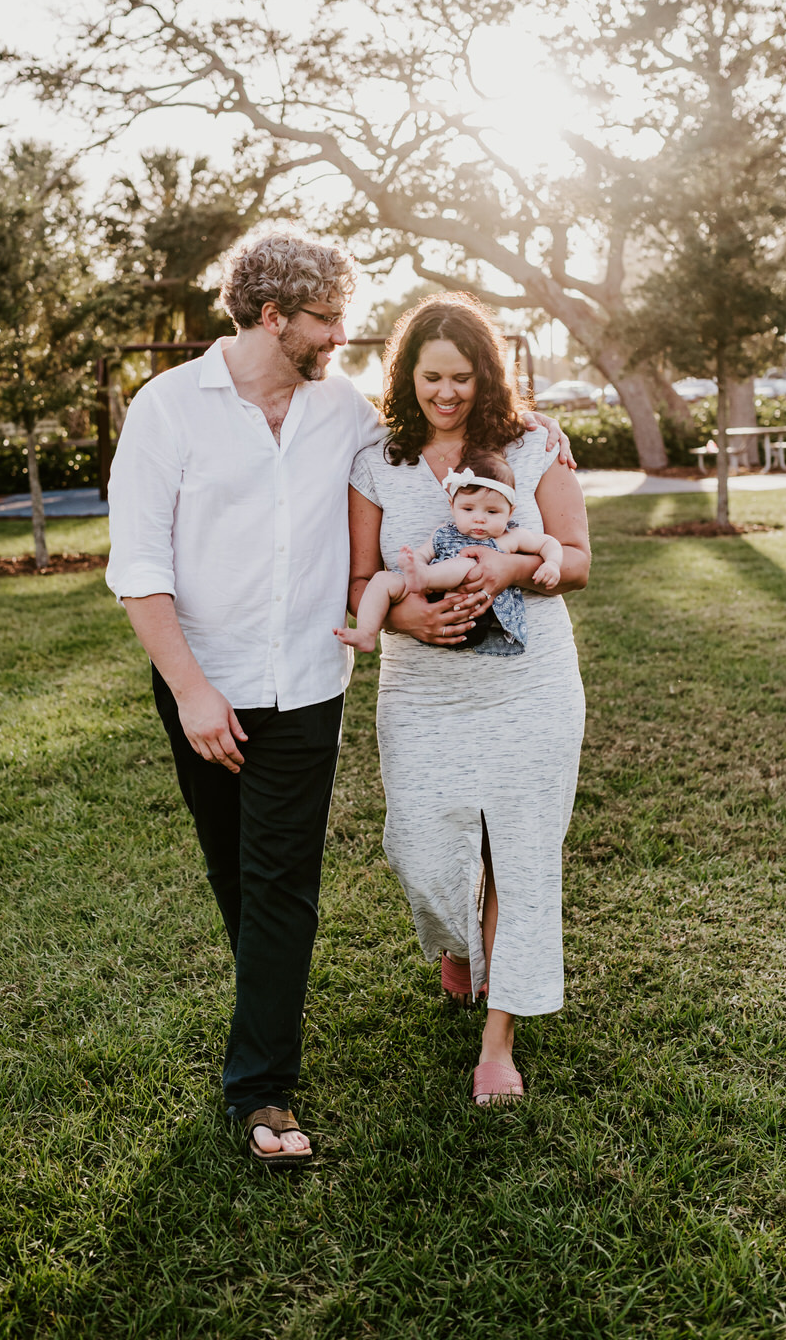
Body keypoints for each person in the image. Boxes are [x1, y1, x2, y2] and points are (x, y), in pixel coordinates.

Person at [105, 233, 571, 1165]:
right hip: (204, 685)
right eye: (325, 319)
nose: (339, 335)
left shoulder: (343, 411)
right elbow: (139, 566)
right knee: (237, 878)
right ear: (273, 315)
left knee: (280, 883)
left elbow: (438, 435)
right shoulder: (167, 408)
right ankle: (270, 1008)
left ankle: (261, 1090)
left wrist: (537, 444)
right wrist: (191, 692)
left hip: (308, 684)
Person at [347, 292, 590, 1106]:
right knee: (419, 850)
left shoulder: (532, 445)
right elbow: (358, 577)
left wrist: (512, 567)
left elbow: (577, 558)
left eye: (461, 377)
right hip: (423, 692)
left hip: (529, 682)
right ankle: (458, 941)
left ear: (486, 373)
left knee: (518, 854)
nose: (446, 393)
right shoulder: (377, 460)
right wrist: (406, 618)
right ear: (406, 378)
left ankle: (497, 1044)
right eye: (430, 378)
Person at [334, 451, 561, 655]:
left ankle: (424, 577)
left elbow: (548, 543)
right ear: (452, 506)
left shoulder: (510, 537)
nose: (479, 518)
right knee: (382, 579)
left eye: (492, 511)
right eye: (468, 509)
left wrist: (551, 563)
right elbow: (423, 554)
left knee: (468, 562)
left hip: (468, 614)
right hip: (425, 597)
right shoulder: (443, 532)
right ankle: (366, 632)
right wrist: (415, 563)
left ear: (510, 512)